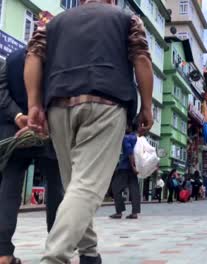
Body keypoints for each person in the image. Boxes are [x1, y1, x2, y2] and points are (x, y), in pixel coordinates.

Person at [23, 0, 154, 262]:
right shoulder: (126, 19)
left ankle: (89, 253)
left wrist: (34, 104)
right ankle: (54, 257)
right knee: (87, 187)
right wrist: (147, 106)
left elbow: (33, 55)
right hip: (106, 102)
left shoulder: (53, 23)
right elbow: (141, 57)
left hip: (58, 105)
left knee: (75, 185)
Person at [0, 48, 64, 264]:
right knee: (56, 192)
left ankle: (3, 253)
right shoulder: (57, 57)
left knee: (8, 191)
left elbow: (2, 91)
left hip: (14, 132)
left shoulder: (12, 58)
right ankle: (57, 250)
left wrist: (19, 116)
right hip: (49, 132)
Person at [109, 124, 140, 220]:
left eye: (126, 126)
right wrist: (136, 167)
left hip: (125, 167)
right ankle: (134, 213)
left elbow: (130, 153)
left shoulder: (126, 138)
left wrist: (132, 166)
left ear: (130, 127)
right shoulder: (138, 138)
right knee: (134, 189)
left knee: (115, 188)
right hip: (134, 168)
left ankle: (119, 212)